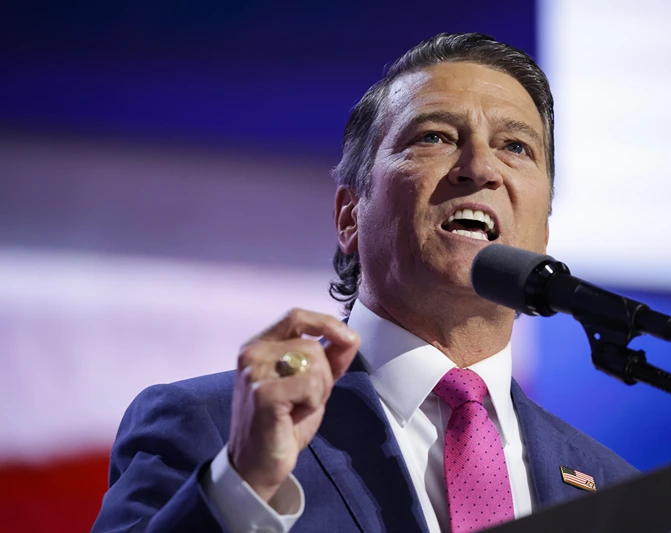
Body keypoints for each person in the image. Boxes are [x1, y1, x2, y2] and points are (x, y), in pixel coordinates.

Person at [92, 32, 638, 533]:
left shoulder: (616, 489)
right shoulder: (211, 427)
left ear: (542, 234)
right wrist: (241, 487)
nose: (480, 167)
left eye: (516, 147)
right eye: (434, 137)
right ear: (350, 216)